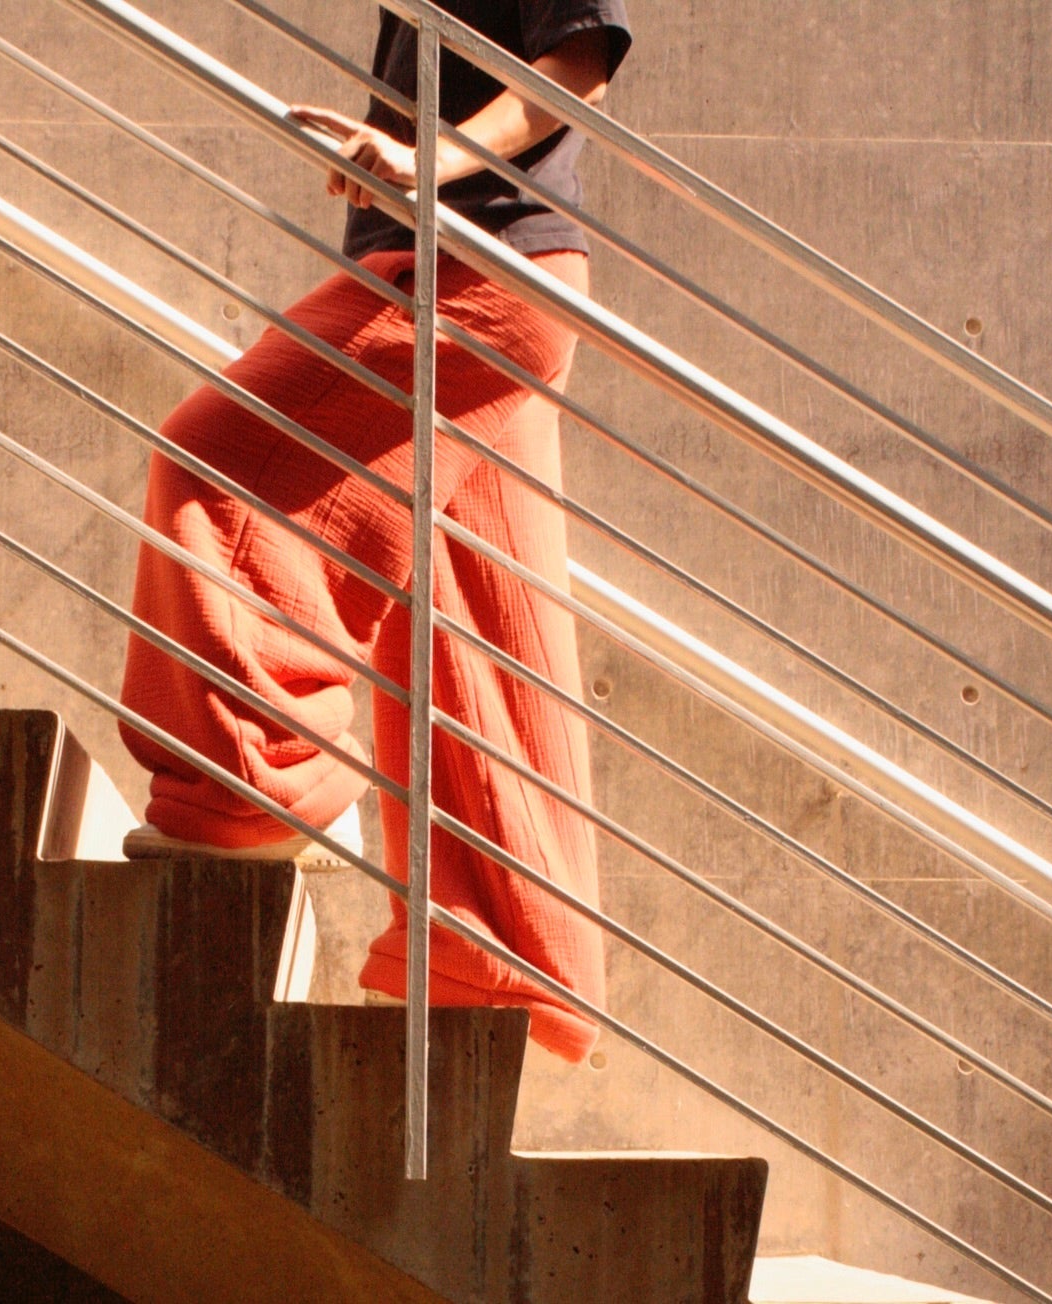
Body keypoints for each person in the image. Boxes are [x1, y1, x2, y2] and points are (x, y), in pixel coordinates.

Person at [118, 0, 632, 1063]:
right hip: (458, 261)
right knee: (470, 633)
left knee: (212, 460)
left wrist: (428, 158)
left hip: (476, 269)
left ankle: (256, 789)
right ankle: (488, 957)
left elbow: (578, 66)